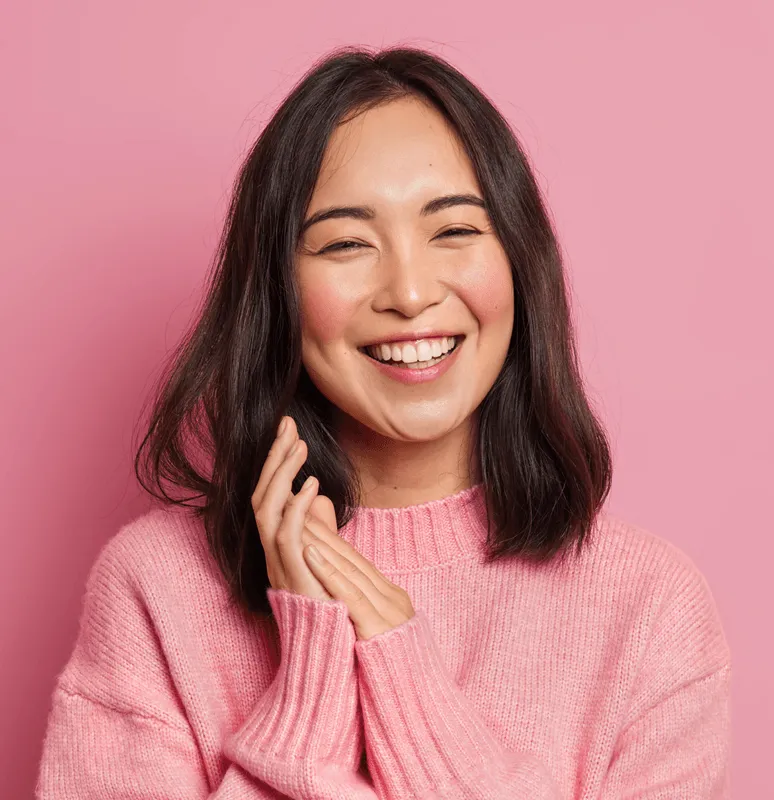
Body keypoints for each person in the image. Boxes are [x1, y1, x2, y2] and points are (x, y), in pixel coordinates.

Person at [35, 46, 732, 799]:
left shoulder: (651, 614)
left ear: (519, 263)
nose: (408, 291)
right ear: (278, 289)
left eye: (455, 231)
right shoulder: (157, 592)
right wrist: (307, 695)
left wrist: (405, 680)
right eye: (346, 243)